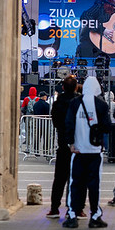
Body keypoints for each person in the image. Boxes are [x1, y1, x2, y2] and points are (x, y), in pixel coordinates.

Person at [62, 76, 111, 229]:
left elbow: (69, 124)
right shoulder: (101, 105)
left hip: (78, 149)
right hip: (94, 150)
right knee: (94, 184)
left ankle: (72, 215)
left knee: (75, 183)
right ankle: (95, 215)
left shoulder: (75, 103)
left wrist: (71, 143)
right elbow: (107, 126)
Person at [46, 76, 78, 219]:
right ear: (76, 87)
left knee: (59, 178)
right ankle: (73, 207)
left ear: (63, 87)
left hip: (62, 143)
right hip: (77, 144)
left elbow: (55, 122)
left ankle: (54, 208)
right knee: (75, 178)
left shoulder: (58, 103)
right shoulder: (79, 102)